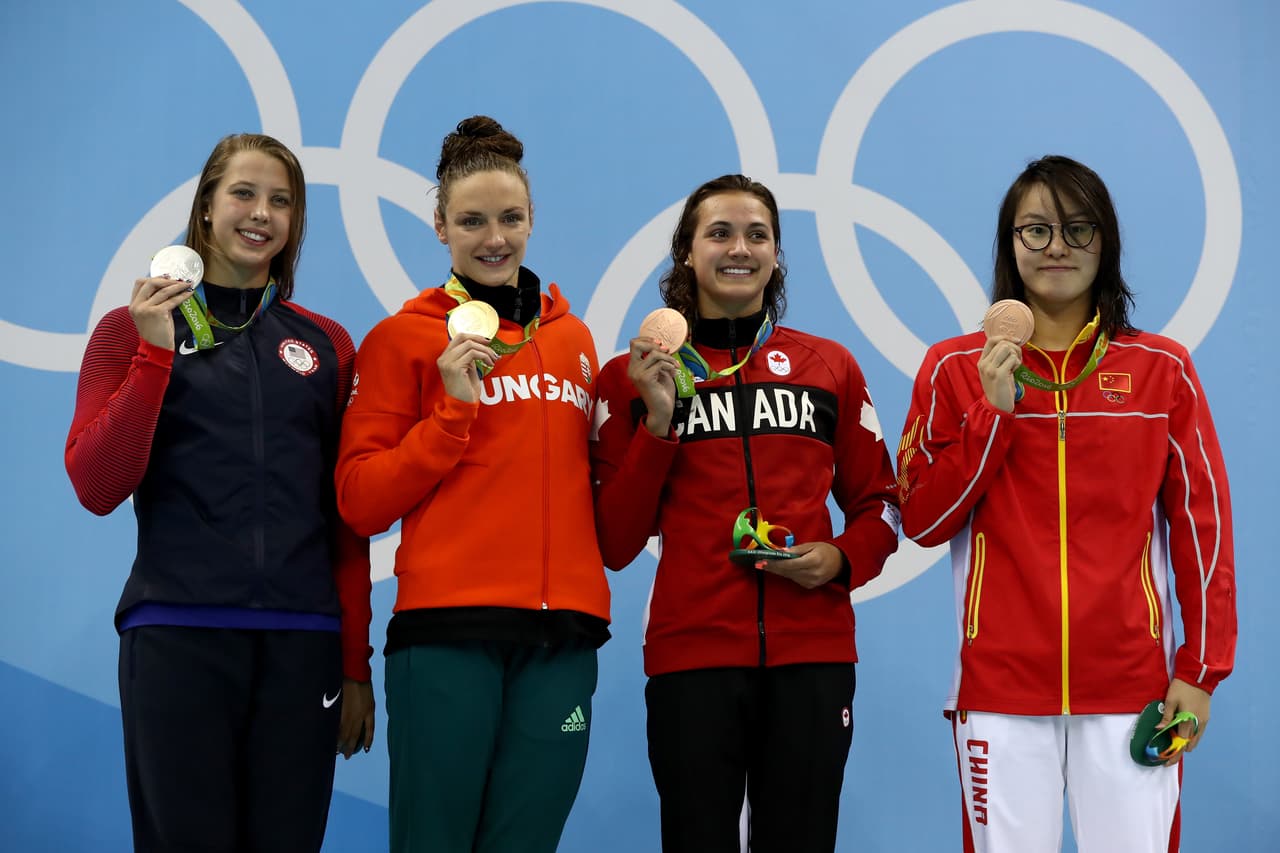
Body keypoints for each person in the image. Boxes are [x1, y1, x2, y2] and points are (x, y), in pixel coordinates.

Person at [894, 155, 1236, 852]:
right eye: (1037, 230)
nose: (1057, 248)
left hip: (1132, 691)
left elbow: (1204, 531)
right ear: (1009, 244)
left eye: (1078, 229)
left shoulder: (1160, 369)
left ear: (1105, 243)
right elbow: (924, 521)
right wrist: (990, 416)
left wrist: (1198, 672)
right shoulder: (953, 369)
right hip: (999, 690)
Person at [64, 132, 374, 853]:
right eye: (243, 192)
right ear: (205, 208)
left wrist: (354, 664)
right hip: (178, 634)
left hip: (302, 645)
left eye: (281, 200)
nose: (260, 212)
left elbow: (346, 518)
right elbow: (97, 483)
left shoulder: (327, 345)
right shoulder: (129, 330)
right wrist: (152, 354)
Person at [591, 174, 901, 852]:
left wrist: (842, 558)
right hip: (692, 658)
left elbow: (879, 506)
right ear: (686, 254)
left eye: (758, 234)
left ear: (777, 255)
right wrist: (659, 425)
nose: (741, 248)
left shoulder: (830, 366)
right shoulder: (632, 378)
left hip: (813, 658)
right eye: (720, 233)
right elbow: (614, 541)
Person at [333, 115, 609, 853]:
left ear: (532, 220)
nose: (495, 237)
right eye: (473, 220)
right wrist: (450, 414)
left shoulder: (573, 339)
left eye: (510, 218)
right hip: (447, 635)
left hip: (562, 639)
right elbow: (359, 500)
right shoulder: (403, 338)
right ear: (440, 227)